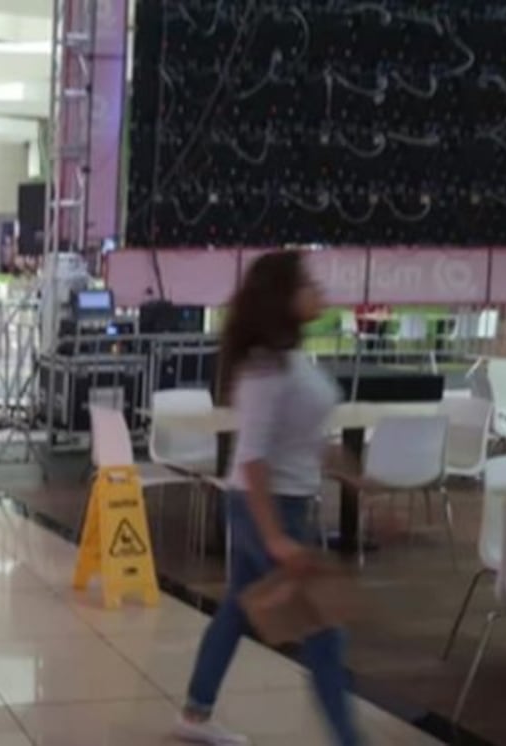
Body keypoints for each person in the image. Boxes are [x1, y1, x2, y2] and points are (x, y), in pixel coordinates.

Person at [174, 251, 358, 746]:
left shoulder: (288, 358)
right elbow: (252, 456)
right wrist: (275, 537)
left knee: (238, 610)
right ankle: (350, 739)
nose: (319, 291)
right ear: (284, 296)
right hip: (267, 508)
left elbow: (297, 436)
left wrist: (340, 467)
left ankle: (195, 713)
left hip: (282, 503)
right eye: (308, 283)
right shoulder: (265, 368)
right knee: (323, 630)